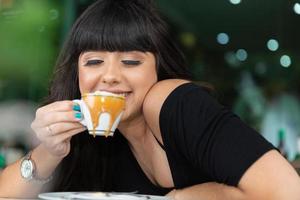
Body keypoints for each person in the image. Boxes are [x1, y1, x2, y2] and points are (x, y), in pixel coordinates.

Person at [1, 0, 300, 199]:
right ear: (77, 75)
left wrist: (184, 197)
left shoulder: (172, 101)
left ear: (158, 69)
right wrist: (50, 151)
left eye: (131, 62)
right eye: (93, 62)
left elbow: (288, 192)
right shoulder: (93, 137)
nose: (110, 76)